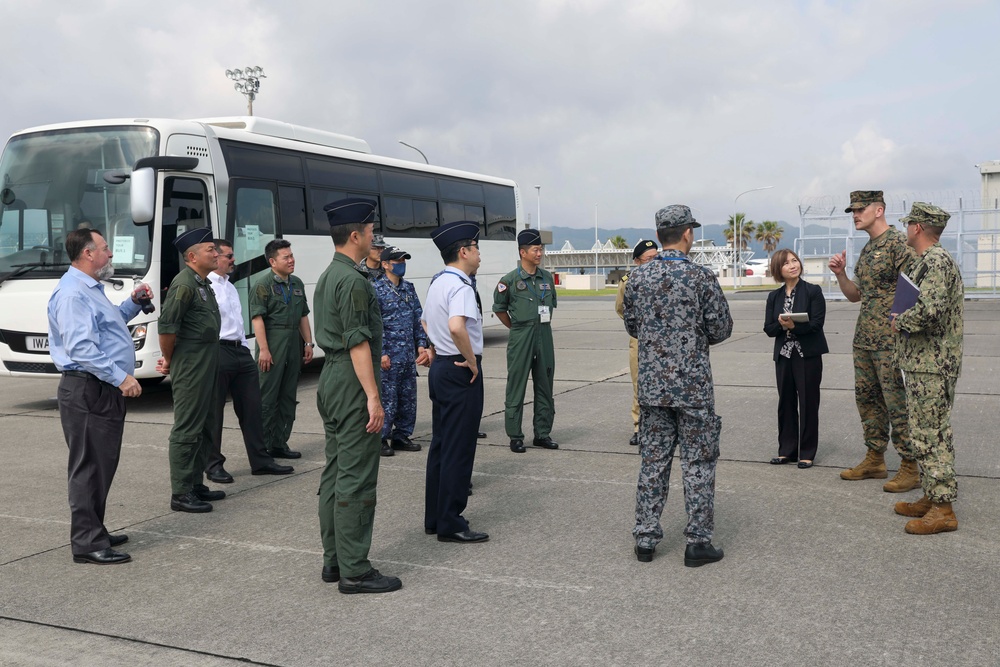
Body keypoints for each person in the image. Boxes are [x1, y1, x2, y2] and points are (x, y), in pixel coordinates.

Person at [622, 205, 732, 567]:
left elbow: (633, 327)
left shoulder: (637, 278)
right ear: (687, 233)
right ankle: (697, 542)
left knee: (653, 461)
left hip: (653, 388)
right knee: (698, 462)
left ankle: (645, 539)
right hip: (693, 388)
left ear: (660, 234)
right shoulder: (700, 276)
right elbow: (720, 328)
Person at [47, 229, 151, 565]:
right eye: (105, 249)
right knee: (89, 466)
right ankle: (87, 542)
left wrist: (132, 305)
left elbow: (107, 327)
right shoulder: (73, 294)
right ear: (88, 253)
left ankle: (95, 529)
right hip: (88, 387)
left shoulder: (89, 289)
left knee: (101, 464)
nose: (110, 255)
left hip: (97, 388)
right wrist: (121, 378)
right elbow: (81, 349)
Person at [314, 198, 401, 594]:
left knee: (335, 472)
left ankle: (335, 561)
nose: (373, 239)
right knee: (356, 477)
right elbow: (358, 345)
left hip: (332, 378)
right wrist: (373, 397)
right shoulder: (352, 281)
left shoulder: (330, 275)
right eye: (369, 232)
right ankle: (355, 570)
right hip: (351, 380)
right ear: (355, 235)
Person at [829, 190, 919, 492]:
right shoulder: (868, 249)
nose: (855, 214)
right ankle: (875, 458)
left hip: (891, 340)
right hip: (865, 338)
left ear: (878, 210)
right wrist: (841, 275)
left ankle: (910, 465)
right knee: (867, 400)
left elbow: (915, 289)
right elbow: (856, 295)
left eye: (860, 209)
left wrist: (903, 328)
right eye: (852, 210)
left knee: (897, 402)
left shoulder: (898, 244)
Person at [891, 203, 963, 534]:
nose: (906, 229)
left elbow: (928, 311)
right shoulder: (926, 262)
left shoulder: (936, 263)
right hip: (922, 362)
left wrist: (898, 320)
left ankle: (943, 509)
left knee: (932, 434)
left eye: (909, 225)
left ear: (918, 228)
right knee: (923, 432)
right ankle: (932, 495)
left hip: (932, 364)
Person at [205, 239, 294, 483]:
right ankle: (213, 465)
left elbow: (238, 323)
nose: (233, 260)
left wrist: (245, 348)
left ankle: (261, 461)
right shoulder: (205, 286)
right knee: (214, 412)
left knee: (252, 409)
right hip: (218, 351)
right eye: (229, 256)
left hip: (240, 351)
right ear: (216, 258)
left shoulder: (230, 287)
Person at [422, 221, 488, 543]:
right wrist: (472, 360)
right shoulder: (461, 285)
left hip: (441, 369)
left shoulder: (438, 283)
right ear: (463, 252)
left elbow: (425, 320)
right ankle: (451, 521)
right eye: (476, 249)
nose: (479, 256)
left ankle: (435, 516)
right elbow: (456, 326)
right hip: (460, 370)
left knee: (441, 445)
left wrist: (436, 348)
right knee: (459, 448)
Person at [157, 227, 225, 513]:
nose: (217, 253)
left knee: (205, 424)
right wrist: (169, 359)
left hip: (207, 360)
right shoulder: (184, 284)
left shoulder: (203, 283)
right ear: (192, 256)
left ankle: (196, 483)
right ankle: (181, 492)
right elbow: (167, 326)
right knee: (187, 426)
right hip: (192, 362)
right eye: (210, 249)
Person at [492, 229, 558, 453]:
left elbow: (551, 306)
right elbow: (499, 309)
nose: (540, 253)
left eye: (541, 249)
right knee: (516, 386)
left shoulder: (547, 278)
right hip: (521, 335)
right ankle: (515, 436)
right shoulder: (509, 280)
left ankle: (542, 433)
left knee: (545, 385)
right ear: (523, 252)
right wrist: (515, 328)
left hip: (544, 334)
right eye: (535, 250)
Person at [763, 248, 829, 468]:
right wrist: (783, 326)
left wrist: (794, 326)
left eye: (794, 261)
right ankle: (787, 450)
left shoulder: (812, 291)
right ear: (778, 269)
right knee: (786, 402)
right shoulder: (774, 296)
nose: (793, 265)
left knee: (808, 402)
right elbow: (769, 328)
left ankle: (807, 452)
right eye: (786, 263)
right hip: (783, 355)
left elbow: (817, 324)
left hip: (807, 355)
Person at [250, 239, 314, 460]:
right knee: (267, 397)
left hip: (292, 344)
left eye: (291, 255)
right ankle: (264, 446)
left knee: (288, 396)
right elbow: (257, 319)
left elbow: (303, 315)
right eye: (286, 257)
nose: (291, 260)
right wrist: (264, 350)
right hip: (273, 342)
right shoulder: (262, 285)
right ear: (272, 261)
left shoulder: (296, 283)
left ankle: (280, 442)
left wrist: (308, 343)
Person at [374, 245, 432, 457]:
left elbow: (418, 319)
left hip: (408, 355)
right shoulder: (376, 289)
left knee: (408, 399)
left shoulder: (409, 288)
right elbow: (375, 324)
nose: (401, 265)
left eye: (404, 261)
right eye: (397, 261)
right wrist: (381, 352)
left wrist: (421, 345)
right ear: (385, 265)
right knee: (388, 399)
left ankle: (401, 436)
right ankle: (380, 438)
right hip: (389, 355)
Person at [616, 239, 659, 446]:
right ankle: (639, 427)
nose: (653, 262)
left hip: (663, 341)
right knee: (639, 384)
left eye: (656, 257)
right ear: (637, 261)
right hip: (639, 339)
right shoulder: (628, 280)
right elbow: (621, 308)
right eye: (649, 259)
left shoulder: (665, 276)